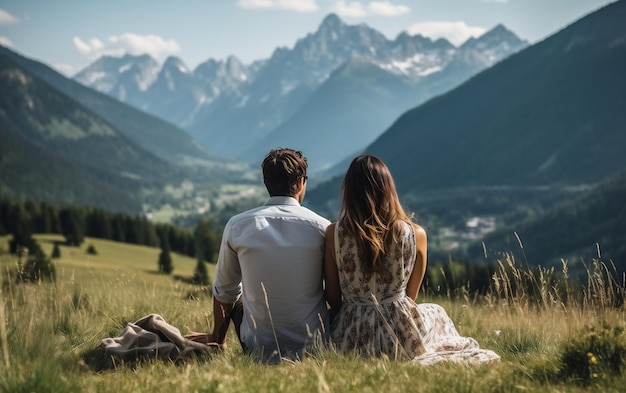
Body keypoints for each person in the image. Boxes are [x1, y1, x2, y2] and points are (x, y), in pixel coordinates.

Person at [323, 154, 500, 365]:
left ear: (349, 191)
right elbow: (411, 296)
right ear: (388, 189)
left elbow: (333, 296)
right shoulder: (416, 234)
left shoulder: (334, 233)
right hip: (401, 336)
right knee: (437, 311)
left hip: (350, 335)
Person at [187, 148, 330, 363]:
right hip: (314, 345)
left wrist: (217, 337)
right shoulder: (322, 228)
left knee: (240, 292)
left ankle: (221, 341)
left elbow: (225, 290)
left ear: (267, 183)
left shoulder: (238, 225)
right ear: (301, 183)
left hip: (257, 348)